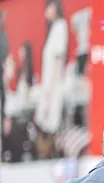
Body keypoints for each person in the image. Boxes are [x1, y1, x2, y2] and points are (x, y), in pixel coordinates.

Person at [33, 0, 68, 158]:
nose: (46, 11)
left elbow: (57, 61)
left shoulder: (61, 26)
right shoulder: (54, 28)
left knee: (50, 120)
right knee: (44, 120)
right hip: (49, 84)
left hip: (53, 84)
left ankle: (52, 153)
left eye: (48, 7)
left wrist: (50, 90)